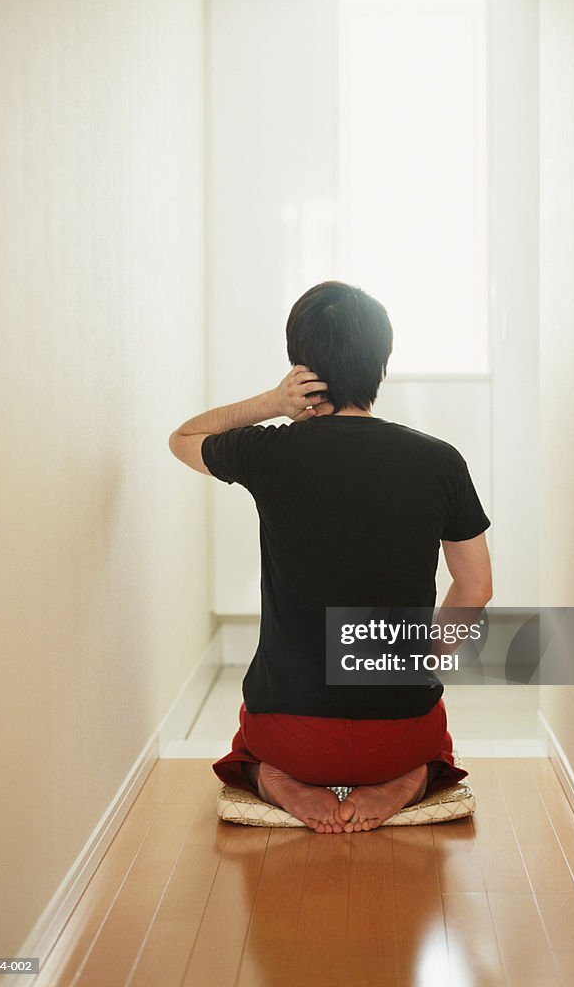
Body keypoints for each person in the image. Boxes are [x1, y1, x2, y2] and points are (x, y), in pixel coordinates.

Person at [168, 281, 492, 833]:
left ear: (302, 368)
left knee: (253, 741)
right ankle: (408, 778)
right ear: (382, 365)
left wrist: (271, 404)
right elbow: (476, 588)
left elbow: (184, 437)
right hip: (398, 734)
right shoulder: (440, 461)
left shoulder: (268, 451)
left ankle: (278, 778)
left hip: (292, 737)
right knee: (431, 741)